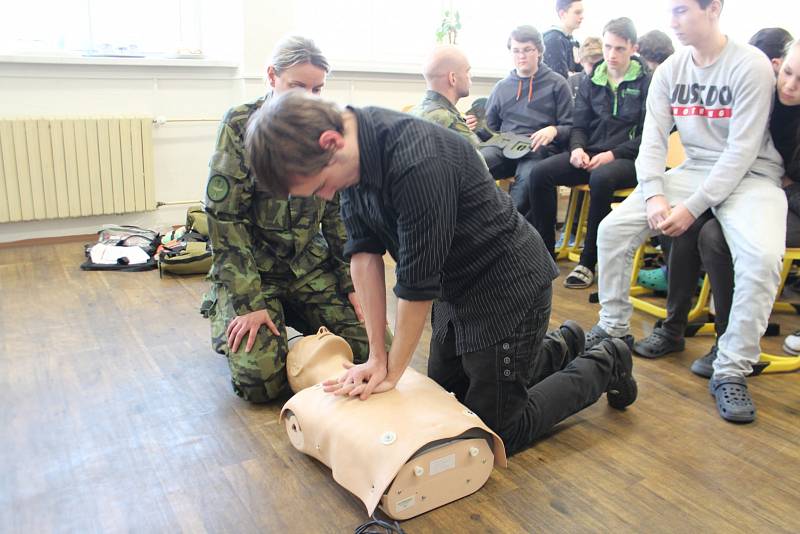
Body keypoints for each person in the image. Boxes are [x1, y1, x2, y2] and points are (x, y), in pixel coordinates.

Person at [244, 91, 638, 456]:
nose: (327, 196)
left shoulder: (418, 162)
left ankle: (607, 360)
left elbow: (415, 287)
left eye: (322, 187)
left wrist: (391, 371)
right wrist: (376, 355)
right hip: (458, 287)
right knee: (447, 397)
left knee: (497, 429)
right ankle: (565, 342)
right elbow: (363, 254)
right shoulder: (351, 149)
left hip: (507, 287)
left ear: (331, 142)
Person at [587, 0, 785, 424]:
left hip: (752, 175)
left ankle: (732, 368)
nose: (672, 21)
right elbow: (653, 142)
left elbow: (742, 150)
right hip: (693, 170)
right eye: (669, 11)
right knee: (613, 229)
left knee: (762, 257)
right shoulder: (671, 70)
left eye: (681, 10)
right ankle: (614, 330)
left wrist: (692, 208)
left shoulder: (750, 65)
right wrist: (655, 194)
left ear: (713, 8)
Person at [202, 36, 374, 403]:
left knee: (373, 350)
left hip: (308, 268)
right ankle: (236, 318)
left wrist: (351, 282)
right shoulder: (240, 124)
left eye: (317, 88)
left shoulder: (325, 126)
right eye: (297, 85)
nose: (307, 97)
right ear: (271, 77)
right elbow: (224, 217)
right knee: (260, 384)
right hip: (256, 272)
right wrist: (249, 303)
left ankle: (297, 334)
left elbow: (337, 212)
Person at [634, 39, 800, 374]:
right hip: (754, 185)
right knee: (682, 221)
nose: (789, 85)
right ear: (776, 64)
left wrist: (785, 185)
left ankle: (728, 342)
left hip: (792, 204)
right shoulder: (772, 97)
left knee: (715, 236)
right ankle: (673, 325)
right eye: (787, 73)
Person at [527, 17, 650, 276]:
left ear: (633, 48)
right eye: (607, 47)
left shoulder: (647, 83)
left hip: (630, 158)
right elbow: (579, 125)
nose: (611, 55)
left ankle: (588, 262)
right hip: (591, 153)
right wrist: (577, 149)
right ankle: (543, 254)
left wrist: (613, 154)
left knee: (601, 178)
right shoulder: (591, 79)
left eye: (619, 48)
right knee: (539, 173)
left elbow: (650, 136)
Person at [481, 25, 573, 214]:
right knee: (475, 164)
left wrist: (554, 130)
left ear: (539, 51)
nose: (521, 56)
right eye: (516, 51)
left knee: (526, 182)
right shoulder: (502, 87)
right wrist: (474, 125)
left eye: (527, 50)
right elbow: (489, 129)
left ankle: (506, 230)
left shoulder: (557, 83)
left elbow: (571, 126)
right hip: (505, 146)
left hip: (538, 148)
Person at [410, 45, 481, 147]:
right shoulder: (449, 121)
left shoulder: (414, 111)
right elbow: (479, 158)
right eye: (467, 71)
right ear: (452, 78)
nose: (470, 75)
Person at [543, 0, 585, 79]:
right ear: (562, 14)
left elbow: (584, 74)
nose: (582, 16)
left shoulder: (574, 41)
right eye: (577, 12)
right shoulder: (553, 40)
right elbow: (560, 77)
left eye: (582, 12)